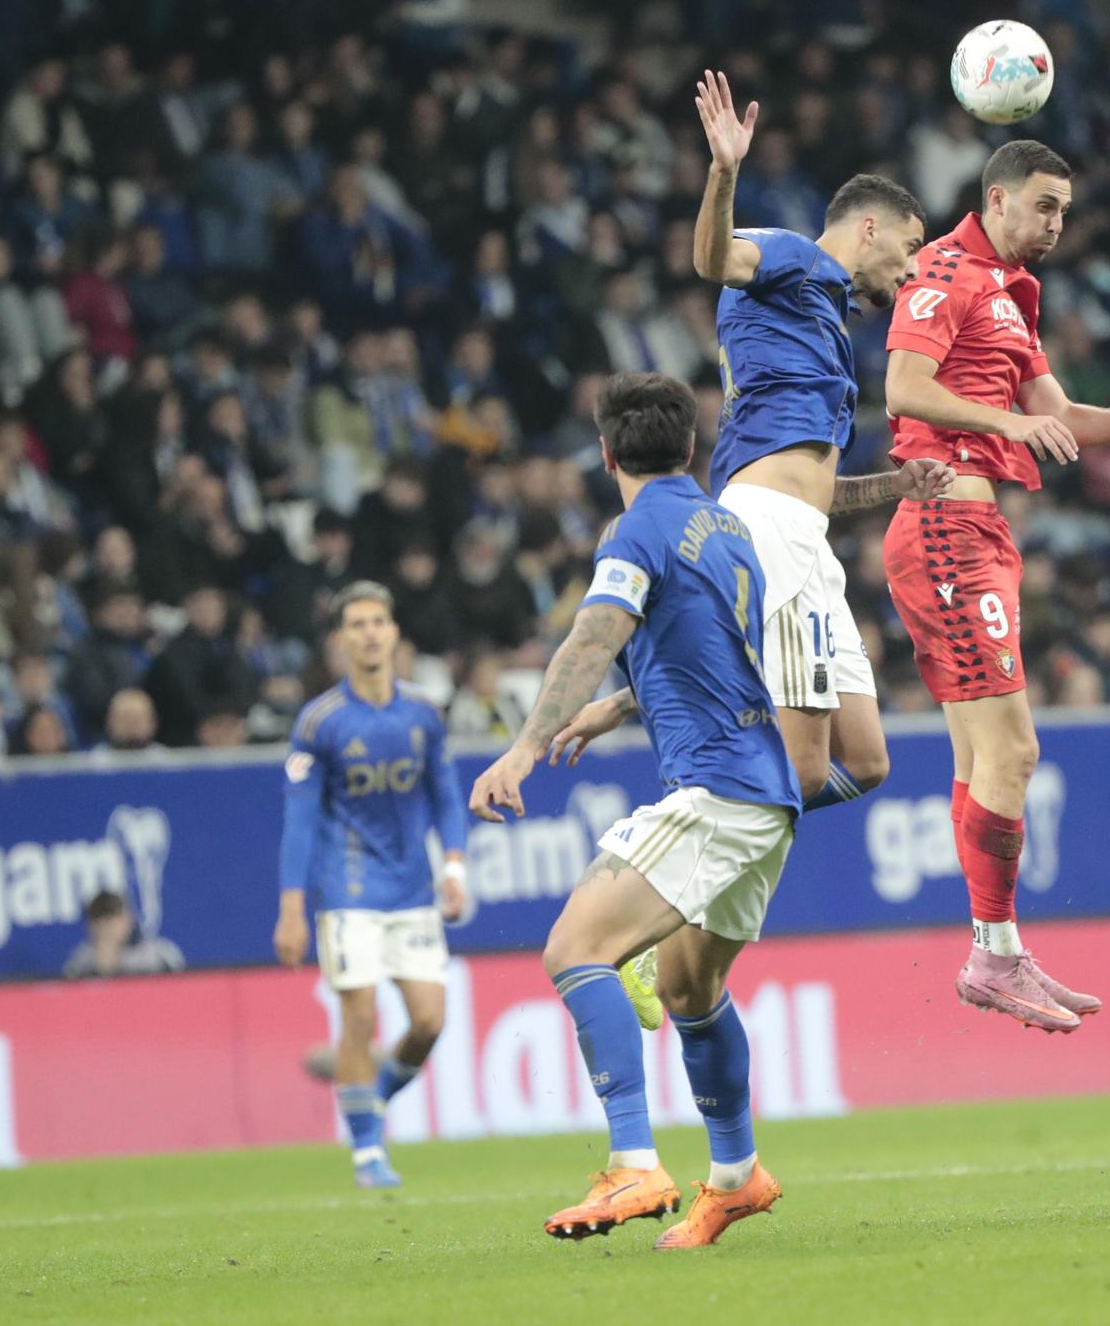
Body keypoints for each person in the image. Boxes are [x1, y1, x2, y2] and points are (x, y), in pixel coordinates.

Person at [549, 72, 952, 808]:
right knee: (798, 772)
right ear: (869, 227)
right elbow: (715, 260)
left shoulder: (823, 314)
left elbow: (815, 488)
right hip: (770, 531)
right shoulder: (795, 261)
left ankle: (684, 771)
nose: (916, 264)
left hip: (803, 535)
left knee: (864, 762)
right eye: (911, 243)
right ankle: (678, 843)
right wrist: (724, 172)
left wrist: (897, 484)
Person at [880, 139, 1110, 1031]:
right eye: (1044, 206)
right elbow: (903, 388)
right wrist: (1004, 423)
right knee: (1015, 752)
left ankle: (1001, 946)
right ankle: (992, 951)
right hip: (945, 522)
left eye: (1065, 209)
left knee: (980, 760)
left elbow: (1058, 418)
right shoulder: (945, 268)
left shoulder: (1013, 295)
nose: (1057, 223)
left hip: (977, 529)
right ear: (995, 198)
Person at [469, 373, 800, 1250]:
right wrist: (619, 707)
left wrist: (523, 746)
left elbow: (594, 633)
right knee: (691, 988)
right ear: (689, 449)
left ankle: (633, 1161)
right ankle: (735, 1175)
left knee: (576, 949)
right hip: (768, 795)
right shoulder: (726, 526)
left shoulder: (634, 528)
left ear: (607, 454)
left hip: (716, 786)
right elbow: (712, 646)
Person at [274, 581, 469, 1189]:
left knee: (430, 1021)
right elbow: (299, 820)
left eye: (378, 622)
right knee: (359, 1018)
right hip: (348, 888)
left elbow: (446, 797)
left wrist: (455, 867)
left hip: (412, 888)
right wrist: (291, 907)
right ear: (341, 640)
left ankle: (372, 1094)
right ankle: (367, 1151)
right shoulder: (320, 721)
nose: (369, 633)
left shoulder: (423, 714)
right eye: (356, 624)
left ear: (394, 633)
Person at [61, 891, 185, 978]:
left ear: (128, 918)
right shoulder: (81, 962)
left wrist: (119, 968)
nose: (106, 926)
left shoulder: (158, 953)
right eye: (99, 919)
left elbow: (179, 990)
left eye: (112, 917)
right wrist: (99, 972)